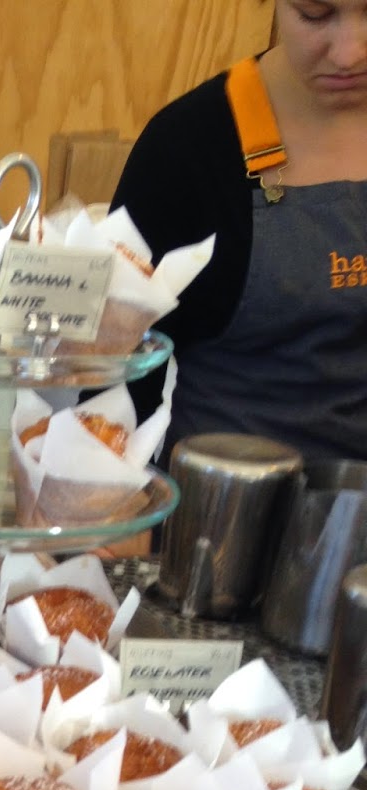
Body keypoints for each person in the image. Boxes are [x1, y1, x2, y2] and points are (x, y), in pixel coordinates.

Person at [111, 0, 367, 462]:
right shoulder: (188, 147)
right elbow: (113, 380)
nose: (349, 53)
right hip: (230, 500)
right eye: (315, 14)